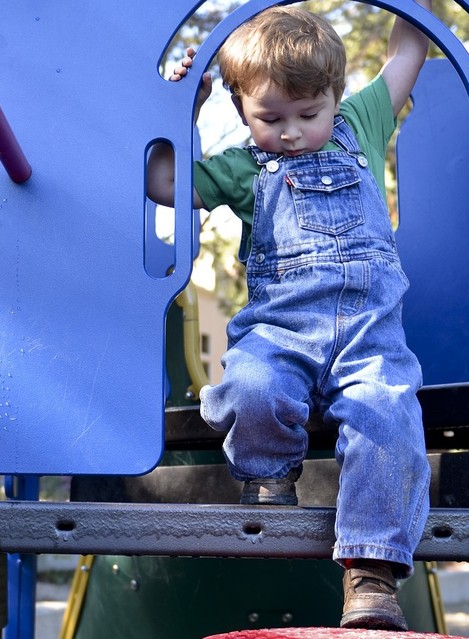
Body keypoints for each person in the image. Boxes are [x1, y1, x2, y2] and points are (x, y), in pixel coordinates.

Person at [146, 3, 433, 631]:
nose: (294, 132)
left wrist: (419, 9)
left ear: (337, 95)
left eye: (309, 114)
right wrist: (181, 109)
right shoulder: (243, 167)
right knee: (248, 385)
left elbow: (408, 51)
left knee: (389, 418)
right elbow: (163, 184)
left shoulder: (363, 120)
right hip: (280, 334)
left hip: (369, 339)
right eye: (270, 118)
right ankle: (270, 478)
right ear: (240, 107)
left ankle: (371, 571)